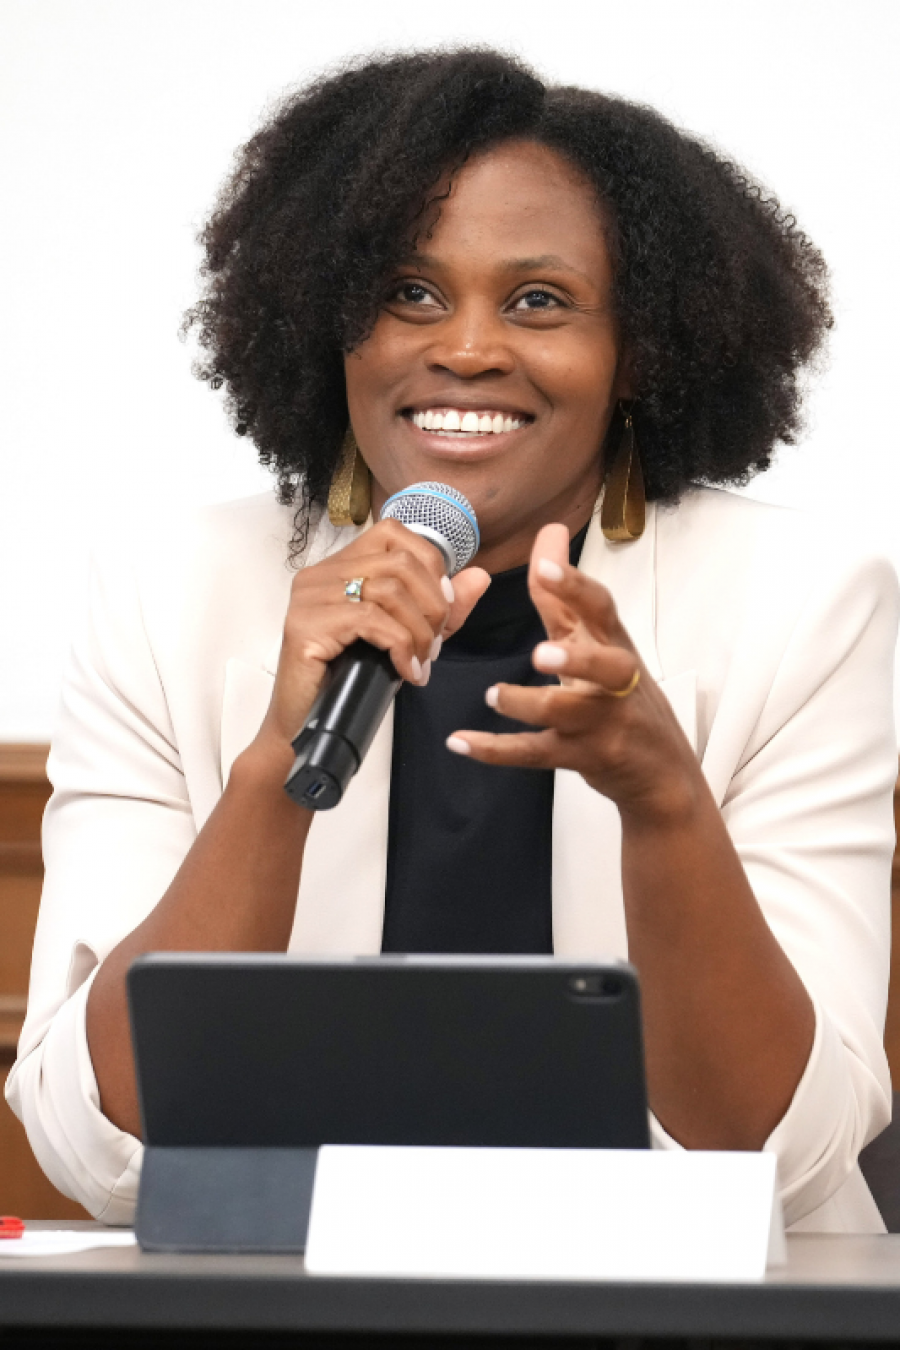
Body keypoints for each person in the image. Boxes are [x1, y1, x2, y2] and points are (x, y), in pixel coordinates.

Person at [7, 48, 897, 1231]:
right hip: (288, 1293)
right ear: (329, 322)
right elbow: (96, 1141)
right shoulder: (168, 593)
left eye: (539, 301)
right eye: (410, 294)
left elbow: (782, 1162)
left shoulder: (807, 604)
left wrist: (665, 801)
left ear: (640, 352)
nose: (468, 346)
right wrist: (275, 767)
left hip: (679, 1301)